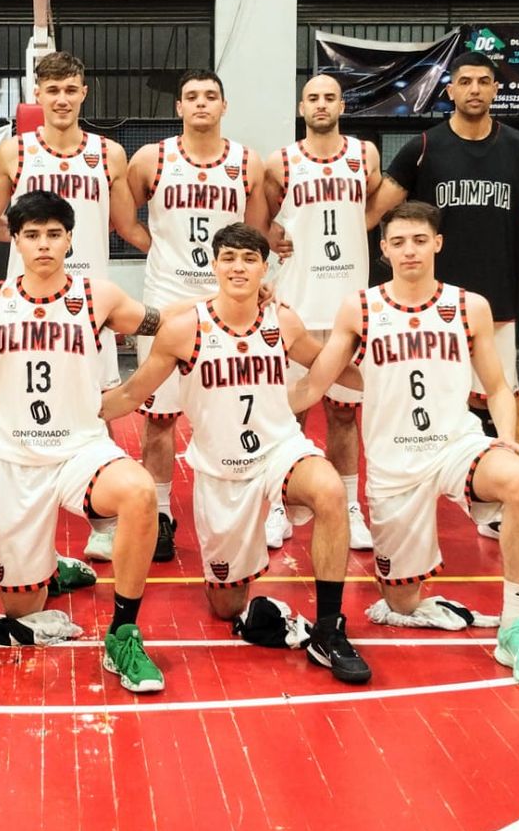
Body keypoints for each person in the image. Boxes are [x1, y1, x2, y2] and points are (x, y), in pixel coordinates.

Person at [293, 201, 519, 686]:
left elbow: (496, 387)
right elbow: (314, 385)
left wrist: (509, 440)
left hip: (455, 445)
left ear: (437, 243)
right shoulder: (361, 307)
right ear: (384, 250)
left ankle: (517, 626)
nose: (409, 250)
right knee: (400, 603)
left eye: (418, 240)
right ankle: (408, 597)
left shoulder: (468, 305)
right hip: (394, 465)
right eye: (398, 242)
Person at [102, 223, 372, 684]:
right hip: (221, 472)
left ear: (265, 267)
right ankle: (257, 607)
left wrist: (385, 381)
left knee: (327, 488)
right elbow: (131, 394)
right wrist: (77, 418)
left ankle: (329, 628)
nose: (239, 267)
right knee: (227, 606)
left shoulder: (283, 320)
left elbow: (318, 369)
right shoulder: (185, 330)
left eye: (249, 259)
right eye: (229, 257)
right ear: (214, 265)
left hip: (278, 451)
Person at [0, 190, 166, 693]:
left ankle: (123, 632)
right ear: (16, 240)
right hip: (15, 457)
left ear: (70, 239)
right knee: (21, 612)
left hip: (80, 450)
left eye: (54, 234)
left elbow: (167, 327)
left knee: (139, 494)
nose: (44, 245)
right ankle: (51, 569)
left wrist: (130, 394)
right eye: (32, 235)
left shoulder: (99, 295)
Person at [0, 51, 151, 562]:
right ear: (37, 95)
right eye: (52, 90)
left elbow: (127, 227)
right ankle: (23, 506)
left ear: (84, 92)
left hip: (89, 300)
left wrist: (191, 261)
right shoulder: (13, 152)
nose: (62, 99)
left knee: (100, 400)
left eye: (70, 89)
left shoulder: (108, 153)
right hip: (24, 301)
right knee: (15, 401)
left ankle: (102, 519)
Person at [124, 71, 268, 563]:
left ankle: (251, 504)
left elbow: (257, 229)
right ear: (179, 108)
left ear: (224, 106)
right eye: (191, 97)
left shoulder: (247, 161)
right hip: (168, 299)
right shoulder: (152, 158)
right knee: (160, 419)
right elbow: (124, 220)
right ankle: (161, 515)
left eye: (210, 96)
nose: (200, 103)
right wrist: (157, 248)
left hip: (228, 302)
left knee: (235, 410)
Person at [370, 52, 519, 442]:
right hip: (434, 302)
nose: (475, 89)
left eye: (484, 81)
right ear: (450, 89)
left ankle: (489, 482)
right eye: (465, 81)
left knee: (491, 401)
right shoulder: (424, 146)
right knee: (437, 397)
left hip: (497, 297)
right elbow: (373, 213)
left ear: (496, 89)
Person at [266, 72, 383, 553]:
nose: (321, 104)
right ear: (301, 107)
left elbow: (370, 206)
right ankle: (279, 501)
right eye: (312, 98)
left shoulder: (364, 155)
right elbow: (264, 219)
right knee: (288, 412)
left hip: (346, 304)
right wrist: (277, 237)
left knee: (341, 414)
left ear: (342, 105)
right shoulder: (280, 162)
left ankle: (350, 506)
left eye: (329, 97)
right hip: (296, 301)